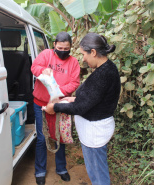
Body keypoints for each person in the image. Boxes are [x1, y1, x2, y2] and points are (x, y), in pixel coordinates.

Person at [44, 32, 121, 185]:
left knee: (98, 175)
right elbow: (95, 98)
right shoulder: (106, 68)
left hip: (95, 132)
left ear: (93, 52)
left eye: (84, 54)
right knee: (95, 171)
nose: (83, 59)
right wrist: (74, 98)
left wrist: (55, 107)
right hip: (94, 129)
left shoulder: (103, 75)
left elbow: (80, 108)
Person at [31, 31, 80, 185]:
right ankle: (40, 171)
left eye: (67, 49)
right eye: (60, 48)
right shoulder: (46, 54)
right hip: (41, 103)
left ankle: (61, 169)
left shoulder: (74, 62)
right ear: (54, 45)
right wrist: (42, 70)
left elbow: (74, 83)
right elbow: (34, 67)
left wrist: (57, 91)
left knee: (60, 137)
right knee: (41, 138)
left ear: (70, 47)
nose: (63, 51)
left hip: (60, 105)